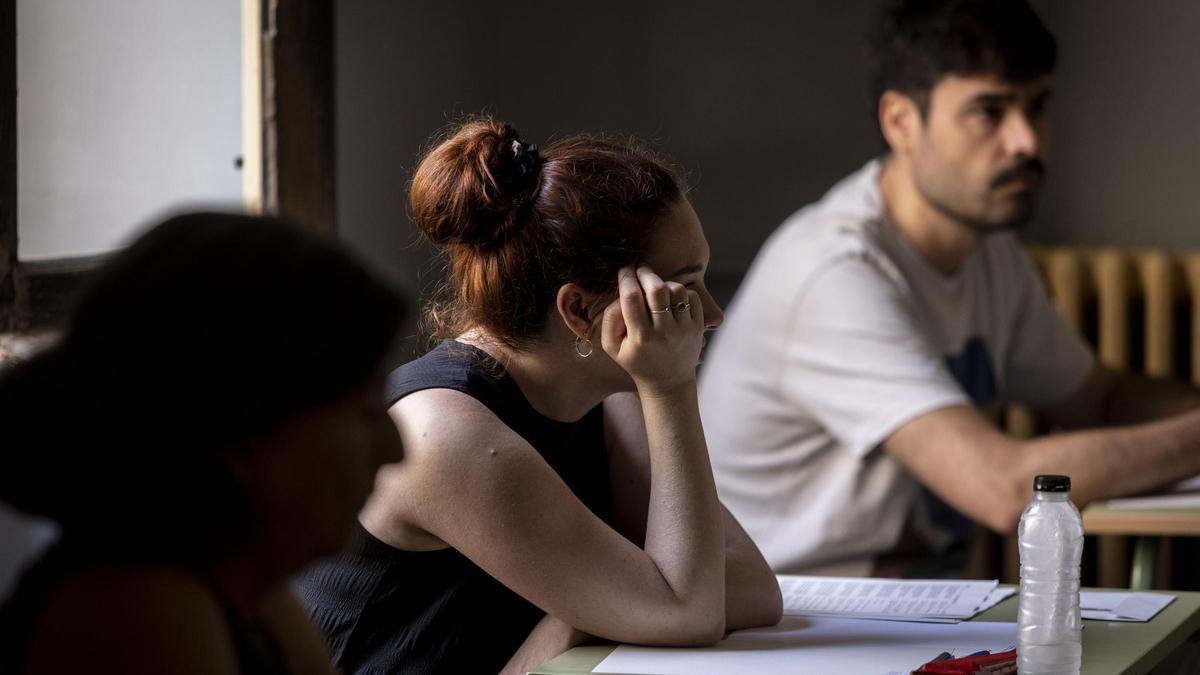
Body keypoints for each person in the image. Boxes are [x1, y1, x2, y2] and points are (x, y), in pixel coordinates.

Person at [698, 0, 1200, 577]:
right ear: (901, 123)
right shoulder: (834, 272)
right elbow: (1004, 487)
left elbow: (1102, 398)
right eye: (989, 112)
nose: (1027, 143)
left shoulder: (988, 249)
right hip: (792, 621)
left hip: (915, 614)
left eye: (1036, 108)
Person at [296, 118, 783, 674]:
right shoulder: (441, 434)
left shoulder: (607, 394)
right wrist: (670, 388)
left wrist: (592, 612)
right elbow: (693, 613)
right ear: (578, 311)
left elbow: (751, 588)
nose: (713, 317)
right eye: (682, 290)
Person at [0, 213, 406, 674]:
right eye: (366, 413)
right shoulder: (140, 615)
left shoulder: (246, 587)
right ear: (247, 436)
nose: (396, 450)